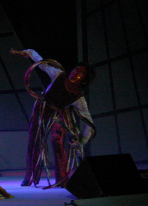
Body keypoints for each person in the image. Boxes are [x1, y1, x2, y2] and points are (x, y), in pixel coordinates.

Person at [11, 48, 96, 188]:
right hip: (42, 110)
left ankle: (62, 179)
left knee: (58, 142)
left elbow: (89, 123)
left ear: (83, 81)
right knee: (34, 141)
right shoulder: (58, 75)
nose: (75, 73)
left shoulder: (79, 99)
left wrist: (83, 140)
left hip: (59, 115)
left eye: (80, 73)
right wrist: (29, 53)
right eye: (75, 70)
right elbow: (42, 63)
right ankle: (30, 176)